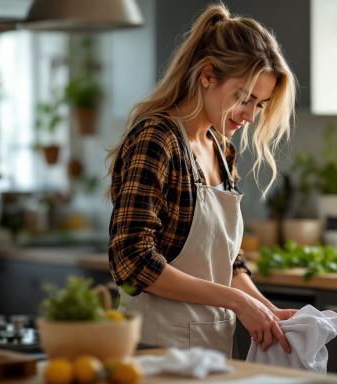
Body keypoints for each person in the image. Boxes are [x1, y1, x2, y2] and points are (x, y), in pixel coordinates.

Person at [107, 3, 297, 358]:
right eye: (244, 98)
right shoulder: (156, 139)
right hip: (155, 346)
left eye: (260, 104)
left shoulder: (222, 151)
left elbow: (228, 262)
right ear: (207, 75)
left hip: (212, 348)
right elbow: (131, 260)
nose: (251, 116)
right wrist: (237, 302)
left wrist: (267, 310)